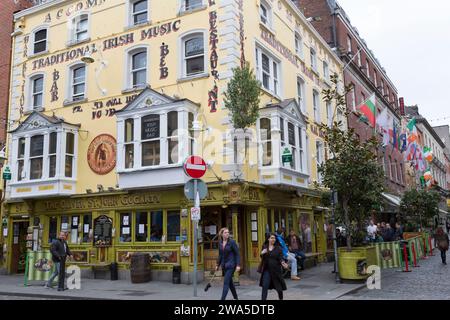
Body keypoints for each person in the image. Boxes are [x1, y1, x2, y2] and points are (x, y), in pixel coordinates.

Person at [259, 233, 288, 300]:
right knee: (265, 287)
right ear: (268, 239)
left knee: (279, 289)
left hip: (276, 271)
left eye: (274, 238)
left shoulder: (278, 248)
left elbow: (281, 258)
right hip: (267, 270)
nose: (273, 239)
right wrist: (262, 253)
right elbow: (262, 256)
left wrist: (283, 263)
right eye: (272, 238)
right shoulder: (265, 246)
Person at [215, 227, 240, 300]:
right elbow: (220, 255)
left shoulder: (232, 242)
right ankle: (236, 298)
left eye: (228, 232)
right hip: (224, 265)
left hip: (231, 265)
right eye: (225, 232)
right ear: (222, 234)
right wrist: (217, 265)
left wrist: (238, 265)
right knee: (230, 283)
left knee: (226, 282)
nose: (227, 234)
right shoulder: (220, 243)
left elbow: (237, 254)